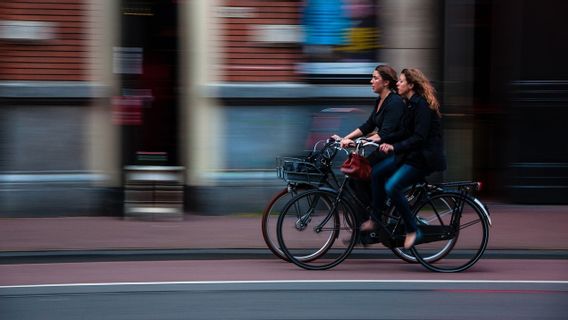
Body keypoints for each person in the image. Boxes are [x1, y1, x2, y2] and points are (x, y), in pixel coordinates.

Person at [361, 68, 447, 249]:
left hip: (423, 159)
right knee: (376, 172)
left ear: (411, 85)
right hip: (409, 155)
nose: (397, 84)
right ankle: (376, 219)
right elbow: (402, 131)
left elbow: (419, 138)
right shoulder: (409, 104)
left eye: (400, 81)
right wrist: (381, 140)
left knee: (392, 186)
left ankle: (413, 230)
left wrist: (394, 147)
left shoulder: (422, 105)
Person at [331, 65, 405, 218]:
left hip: (394, 152)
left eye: (375, 78)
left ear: (386, 82)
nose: (371, 81)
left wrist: (359, 142)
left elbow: (385, 134)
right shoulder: (380, 100)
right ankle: (370, 220)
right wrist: (346, 138)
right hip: (382, 151)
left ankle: (377, 215)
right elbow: (368, 125)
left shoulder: (395, 102)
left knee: (363, 175)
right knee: (356, 178)